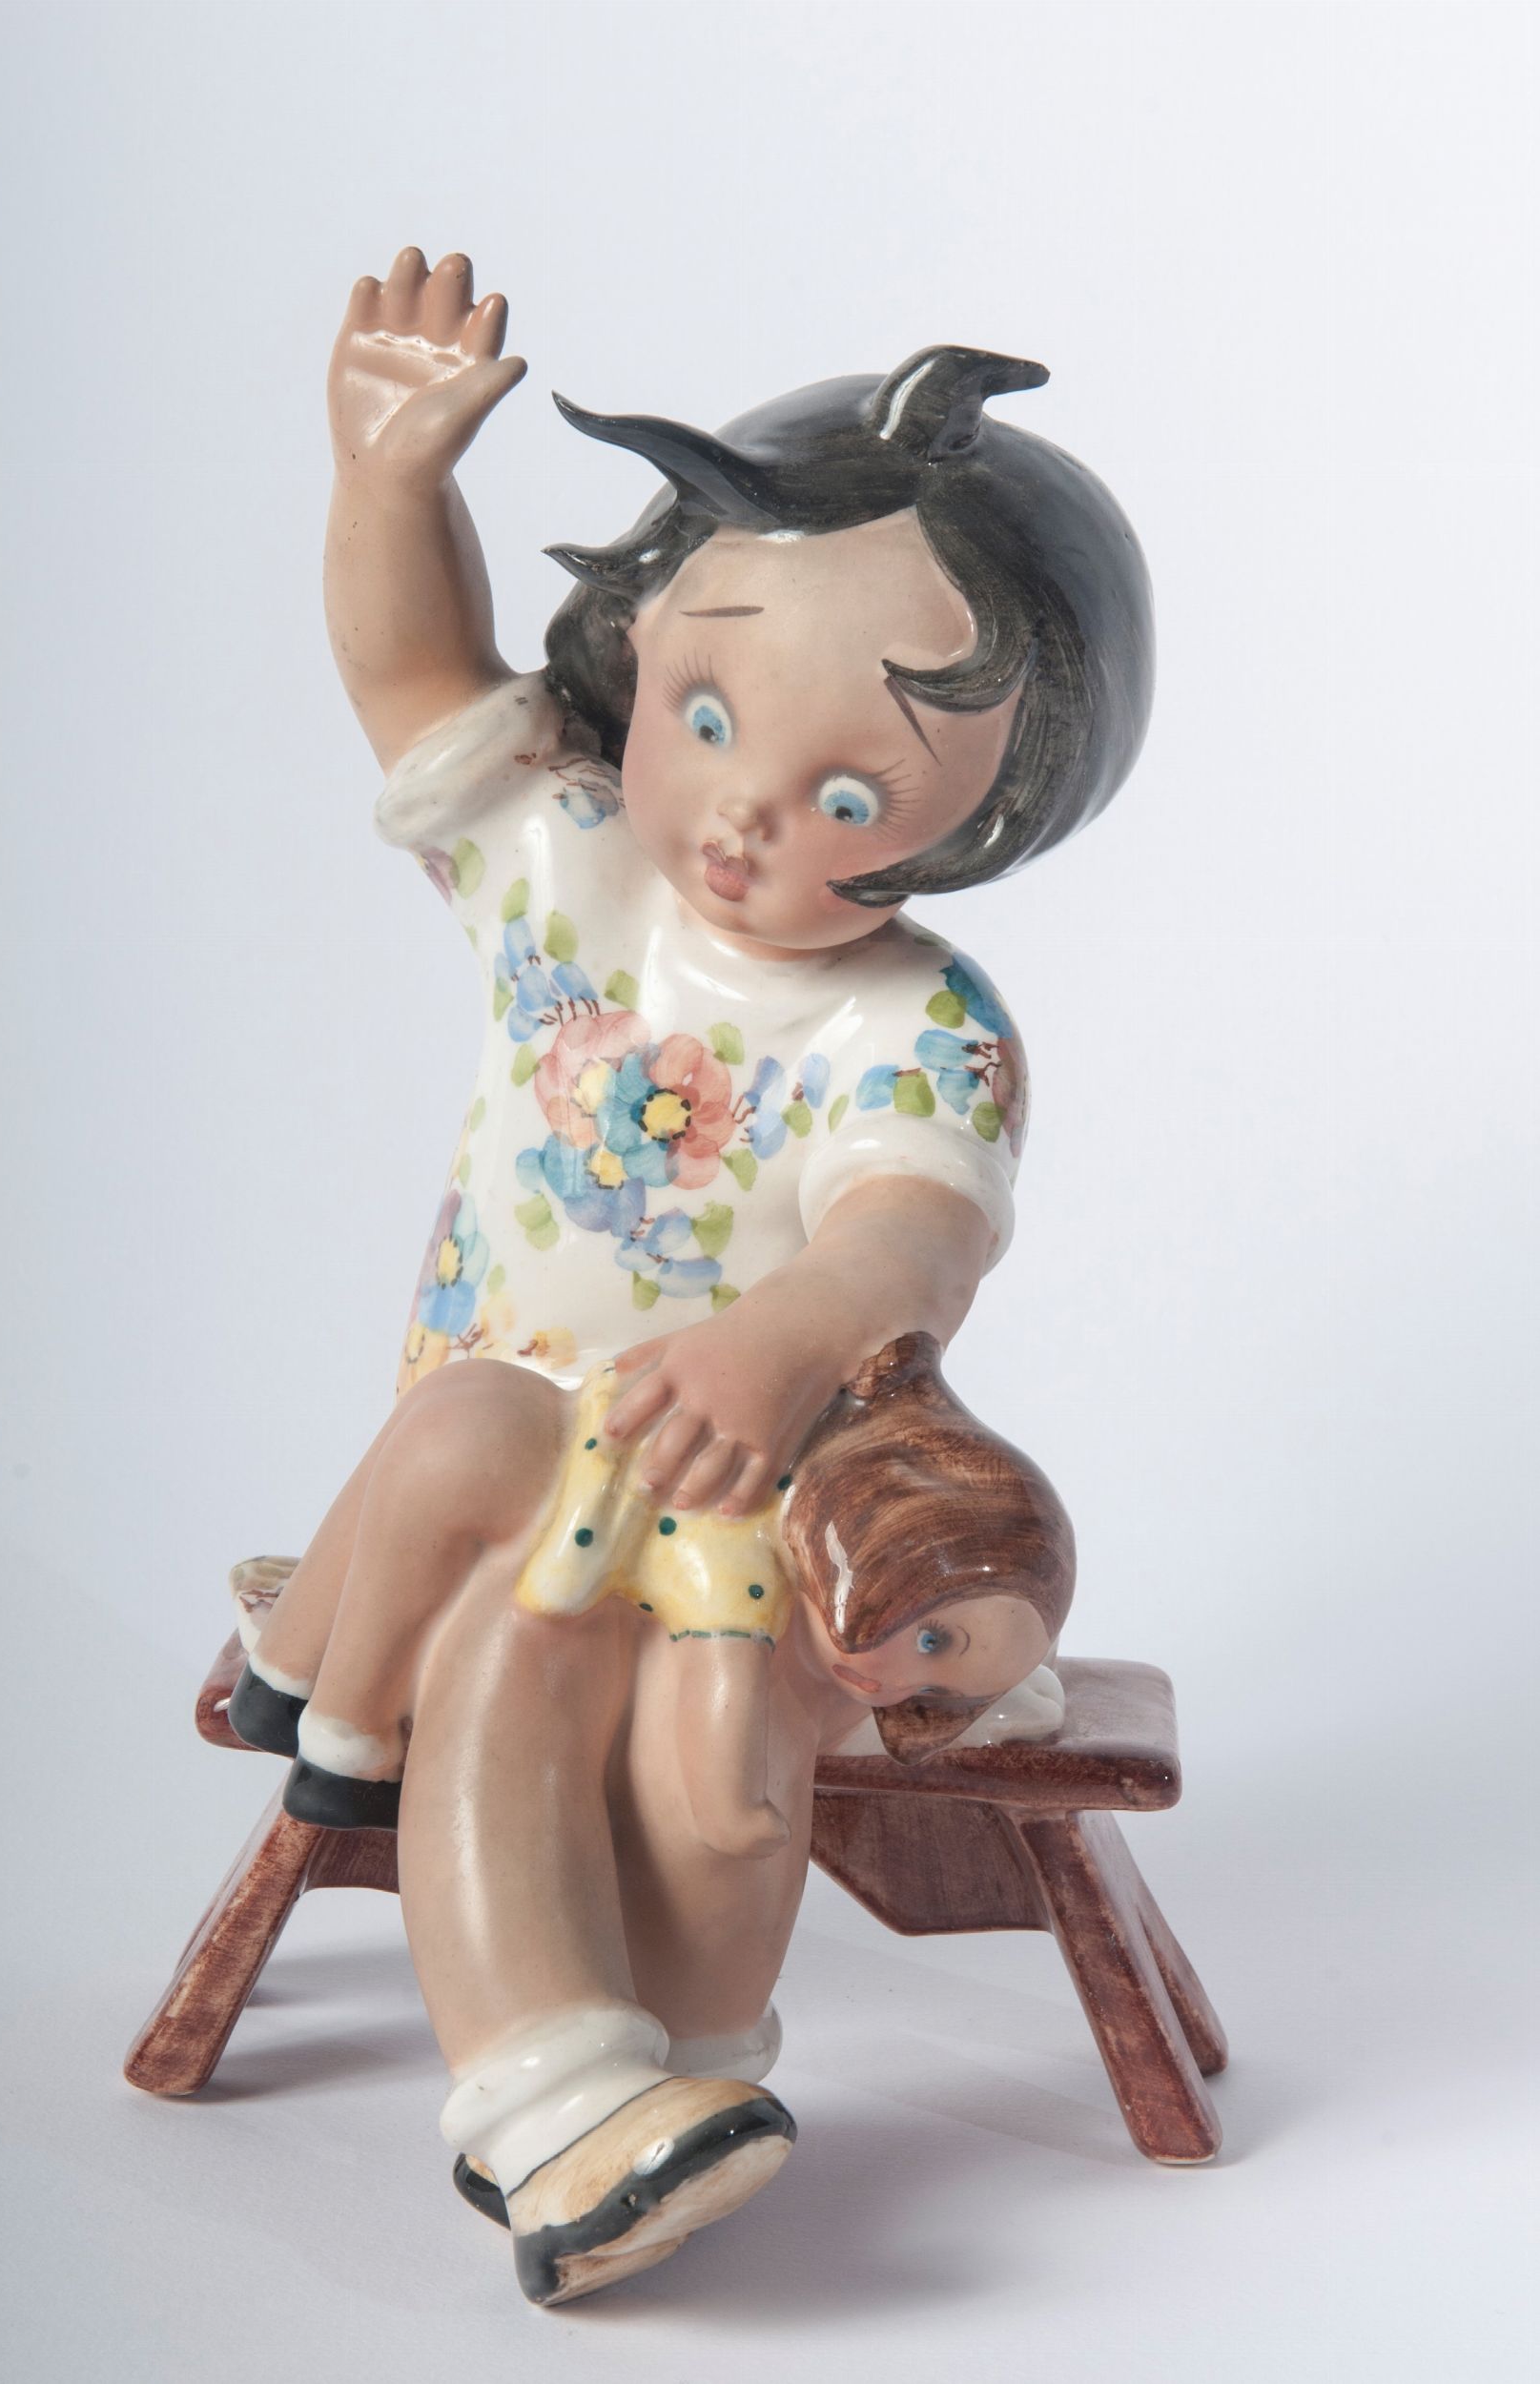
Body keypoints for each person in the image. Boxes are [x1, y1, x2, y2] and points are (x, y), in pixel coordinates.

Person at [226, 247, 1153, 2305]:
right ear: (639, 640)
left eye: (851, 796)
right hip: (499, 1435)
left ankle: (688, 2061)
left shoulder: (918, 1022)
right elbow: (415, 676)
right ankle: (551, 2095)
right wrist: (389, 486)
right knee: (515, 1636)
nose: (742, 814)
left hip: (745, 1485)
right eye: (708, 715)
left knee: (694, 1757)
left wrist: (791, 1329)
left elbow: (915, 1227)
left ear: (982, 823)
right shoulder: (572, 865)